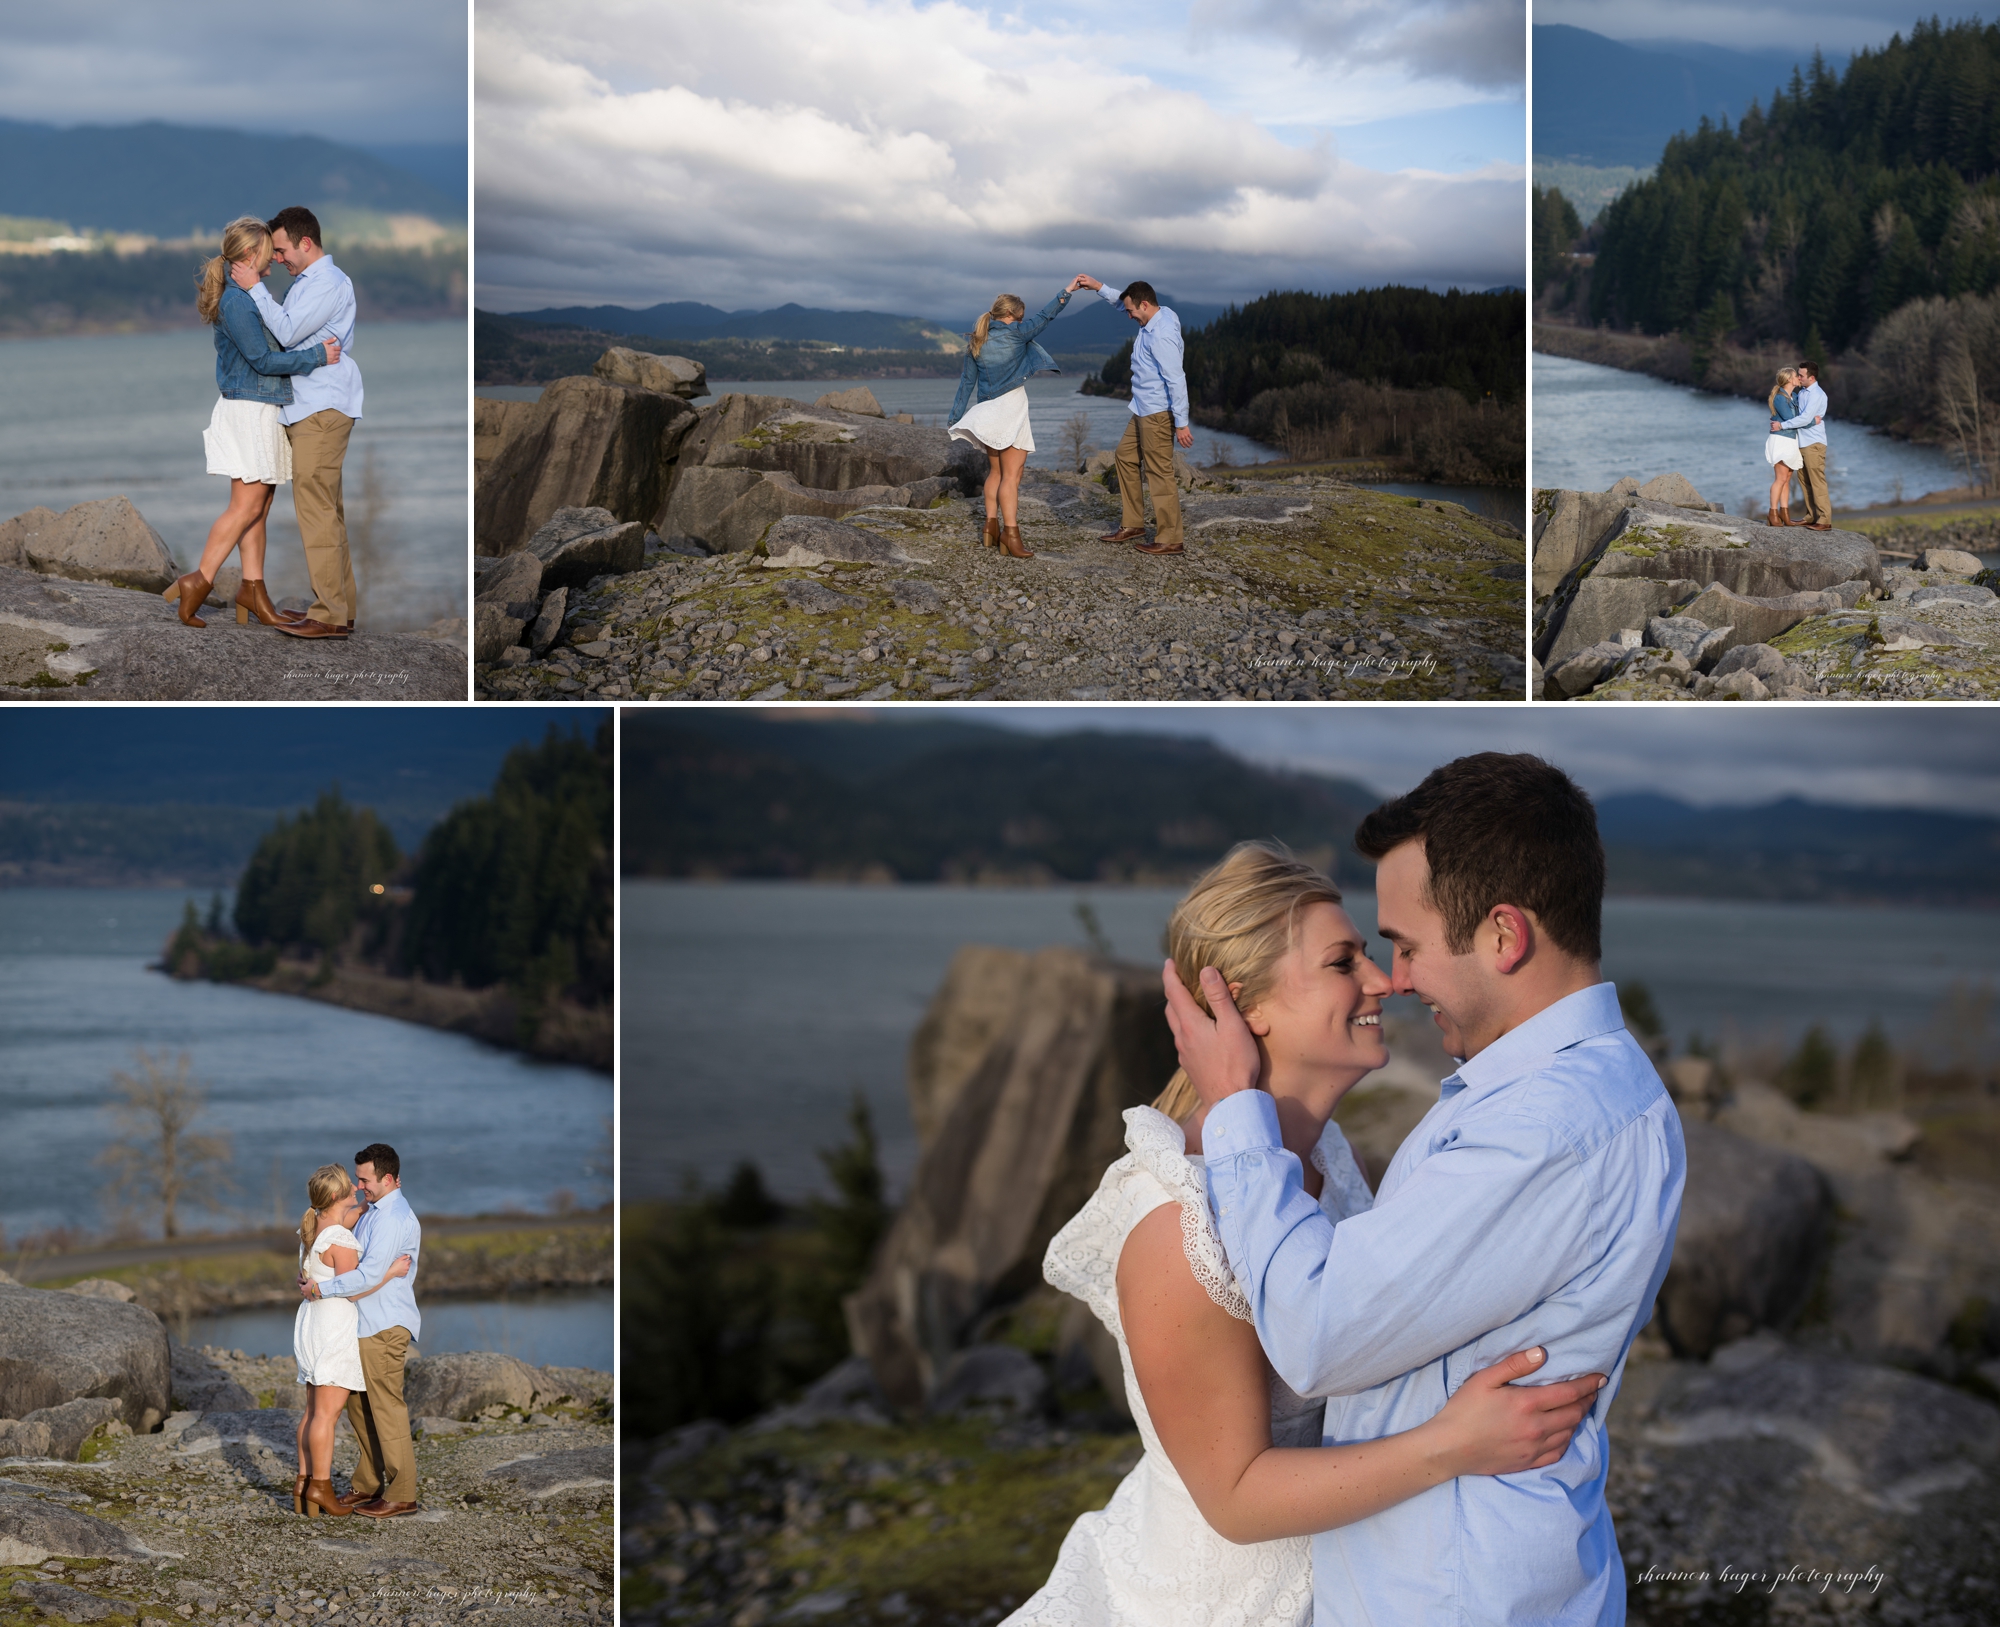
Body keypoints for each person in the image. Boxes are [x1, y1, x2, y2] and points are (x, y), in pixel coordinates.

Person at [1007, 842, 1608, 1627]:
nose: (1383, 979)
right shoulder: (1173, 1224)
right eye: (1342, 961)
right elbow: (1234, 1496)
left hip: (1352, 1581)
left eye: (1368, 952)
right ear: (1245, 1007)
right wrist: (1452, 1443)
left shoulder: (1324, 1157)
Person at [1163, 755, 1686, 1626]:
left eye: (1405, 945)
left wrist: (1238, 1112)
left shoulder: (1549, 1129)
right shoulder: (1552, 1096)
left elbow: (1318, 1331)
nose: (1393, 980)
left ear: (1504, 936)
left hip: (1453, 1595)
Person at [165, 217, 338, 629]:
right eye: (268, 253)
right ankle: (199, 580)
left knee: (258, 506)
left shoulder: (243, 294)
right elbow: (263, 360)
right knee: (245, 506)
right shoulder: (237, 301)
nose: (274, 260)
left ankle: (253, 589)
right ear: (249, 255)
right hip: (249, 409)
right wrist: (318, 356)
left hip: (260, 406)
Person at [230, 206, 362, 638]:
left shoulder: (326, 282)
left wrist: (253, 289)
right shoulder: (310, 283)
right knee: (329, 510)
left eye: (283, 250)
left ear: (306, 243)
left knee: (316, 510)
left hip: (321, 408)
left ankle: (327, 615)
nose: (279, 259)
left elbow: (285, 332)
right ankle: (342, 610)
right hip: (313, 407)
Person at [299, 1142, 423, 1516]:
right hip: (359, 1324)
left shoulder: (392, 1219)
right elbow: (335, 1234)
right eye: (356, 1179)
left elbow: (365, 1276)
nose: (359, 1186)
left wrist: (321, 1288)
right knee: (360, 1409)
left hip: (384, 1325)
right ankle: (368, 1484)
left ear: (388, 1179)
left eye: (365, 1179)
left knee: (386, 1408)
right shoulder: (372, 1210)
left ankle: (402, 1493)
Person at [948, 280, 1087, 560]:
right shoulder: (1016, 333)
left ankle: (990, 527)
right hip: (1011, 409)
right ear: (1010, 316)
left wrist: (955, 416)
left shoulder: (977, 340)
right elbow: (1046, 317)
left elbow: (966, 383)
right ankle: (1011, 536)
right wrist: (1067, 292)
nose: (1021, 322)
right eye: (1020, 318)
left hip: (988, 411)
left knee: (996, 473)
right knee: (1012, 476)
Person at [1074, 276, 1192, 557]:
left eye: (1131, 312)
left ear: (1146, 305)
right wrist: (1099, 287)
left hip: (1157, 413)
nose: (1127, 316)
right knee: (1124, 457)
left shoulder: (1162, 335)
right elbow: (1124, 301)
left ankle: (1170, 539)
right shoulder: (1154, 315)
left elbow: (1177, 379)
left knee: (1159, 472)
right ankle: (1133, 524)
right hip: (1140, 408)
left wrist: (1182, 422)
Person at [1772, 361, 1831, 528]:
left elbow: (1804, 419)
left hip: (1814, 443)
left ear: (1811, 378)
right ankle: (1811, 515)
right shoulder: (1802, 392)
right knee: (1804, 481)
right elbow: (1792, 411)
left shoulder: (1816, 394)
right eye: (1797, 374)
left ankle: (1824, 520)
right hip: (1801, 443)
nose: (1798, 377)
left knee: (1817, 481)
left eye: (1801, 375)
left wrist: (1782, 425)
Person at [1763, 366, 1806, 527]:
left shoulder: (1793, 395)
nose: (1798, 378)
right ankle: (1773, 513)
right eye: (1796, 376)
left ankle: (1785, 513)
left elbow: (1796, 418)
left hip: (1791, 440)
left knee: (1787, 479)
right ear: (1789, 379)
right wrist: (1811, 420)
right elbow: (1791, 419)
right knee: (1780, 479)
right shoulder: (1780, 398)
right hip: (1781, 440)